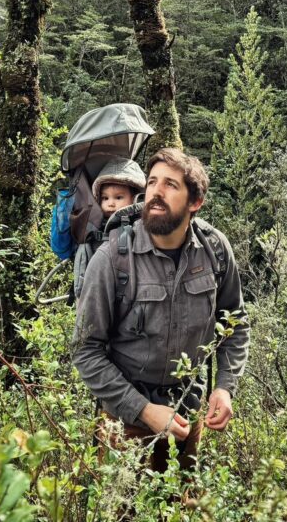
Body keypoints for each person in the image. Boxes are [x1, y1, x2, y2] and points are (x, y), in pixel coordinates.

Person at [73, 147, 250, 473]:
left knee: (179, 505)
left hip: (187, 413)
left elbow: (235, 323)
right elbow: (86, 351)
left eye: (170, 184)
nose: (156, 191)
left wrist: (224, 388)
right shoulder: (112, 259)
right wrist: (144, 410)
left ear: (194, 202)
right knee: (123, 508)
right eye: (152, 181)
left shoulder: (215, 252)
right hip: (124, 421)